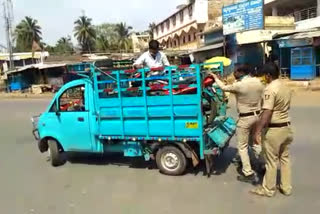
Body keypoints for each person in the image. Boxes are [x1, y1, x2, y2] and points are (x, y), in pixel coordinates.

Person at [210, 64, 264, 183]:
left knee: (243, 146)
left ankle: (247, 172)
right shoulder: (258, 82)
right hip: (258, 116)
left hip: (245, 118)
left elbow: (223, 88)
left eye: (235, 72)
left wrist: (215, 78)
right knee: (255, 141)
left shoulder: (240, 85)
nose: (234, 74)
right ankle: (262, 163)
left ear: (240, 72)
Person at [251, 63, 293, 197]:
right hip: (286, 127)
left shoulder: (269, 89)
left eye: (264, 76)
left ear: (268, 75)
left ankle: (268, 189)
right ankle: (286, 187)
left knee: (271, 161)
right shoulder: (285, 86)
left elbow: (267, 112)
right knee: (284, 159)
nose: (263, 78)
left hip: (274, 130)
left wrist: (257, 131)